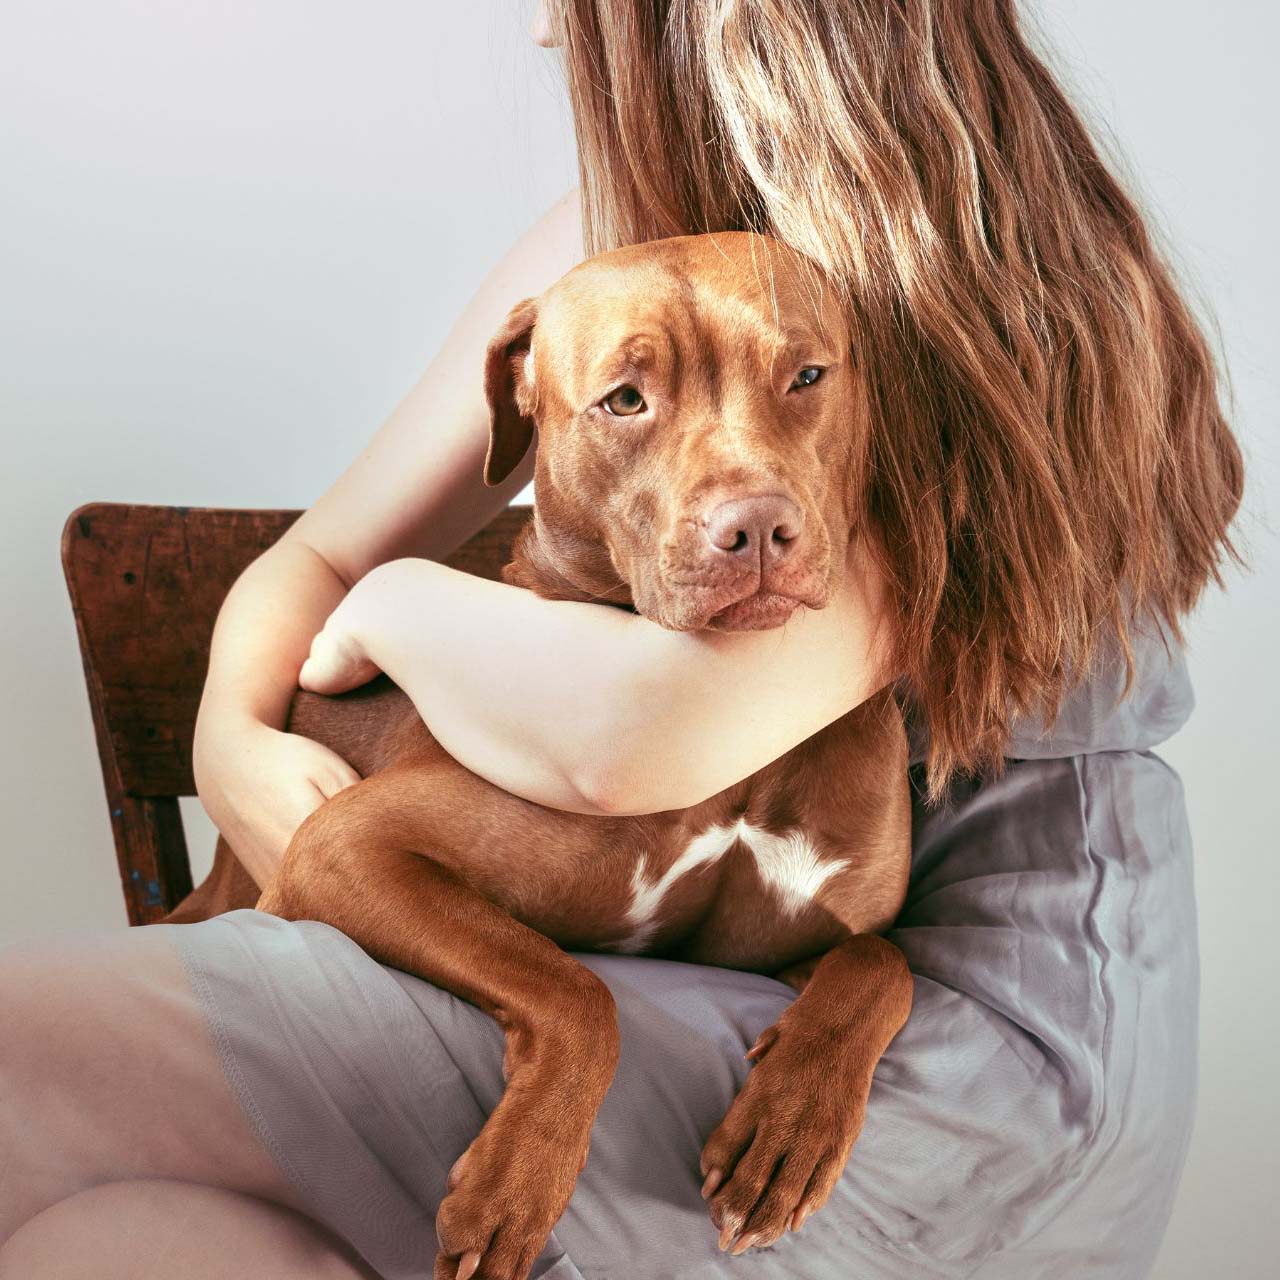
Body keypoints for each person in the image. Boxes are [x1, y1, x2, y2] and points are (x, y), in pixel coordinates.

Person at [0, 2, 1243, 1278]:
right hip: (689, 971)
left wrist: (396, 607)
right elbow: (320, 554)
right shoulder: (610, 257)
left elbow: (631, 744)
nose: (541, 32)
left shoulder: (954, 319)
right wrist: (229, 745)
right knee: (101, 1244)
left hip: (965, 1053)